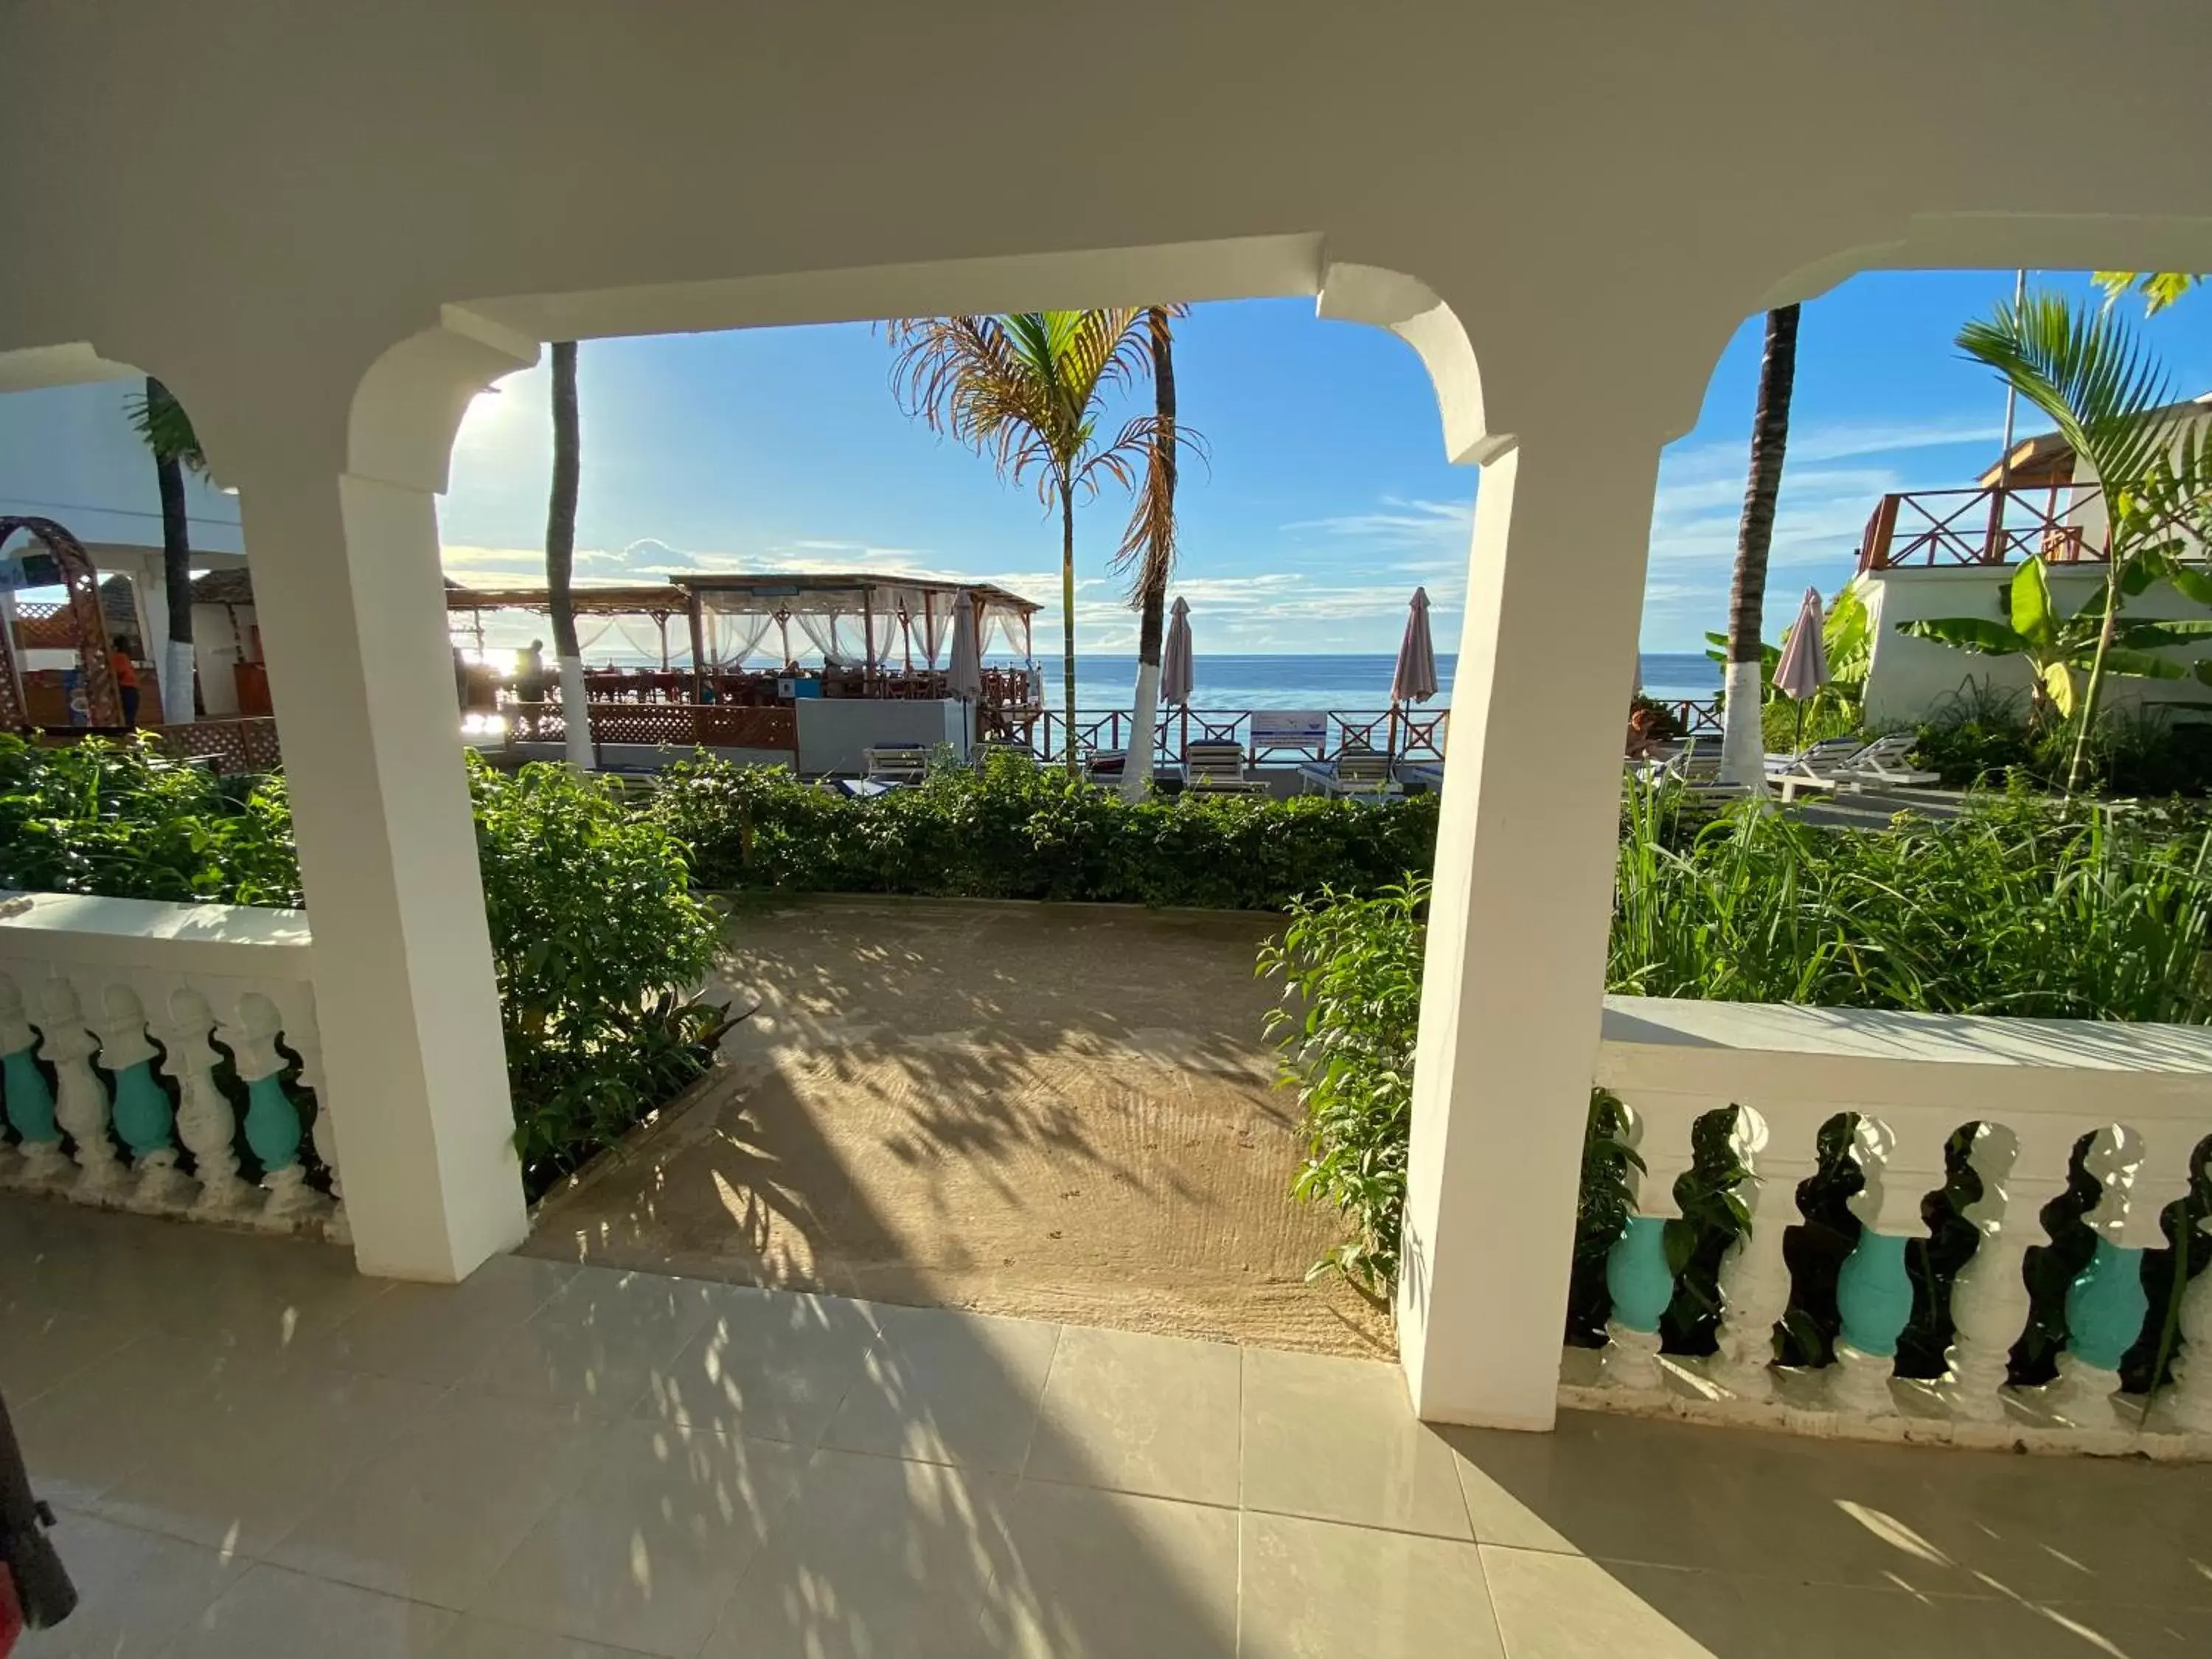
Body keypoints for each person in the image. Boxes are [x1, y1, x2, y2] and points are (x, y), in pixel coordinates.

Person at [108, 637, 141, 728]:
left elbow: (119, 672)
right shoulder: (124, 657)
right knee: (129, 718)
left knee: (127, 718)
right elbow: (123, 672)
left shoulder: (119, 657)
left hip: (127, 689)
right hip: (130, 689)